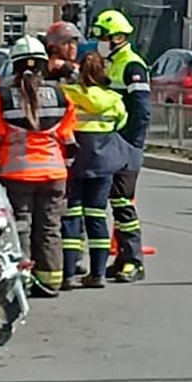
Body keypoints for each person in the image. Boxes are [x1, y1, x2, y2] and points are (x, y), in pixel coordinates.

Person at [0, 36, 77, 298]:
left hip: (16, 173)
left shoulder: (2, 99)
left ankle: (24, 280)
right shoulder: (61, 96)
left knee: (21, 226)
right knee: (50, 227)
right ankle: (51, 280)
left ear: (15, 66)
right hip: (54, 174)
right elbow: (70, 142)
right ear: (44, 65)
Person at [60, 52, 130, 290]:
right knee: (97, 217)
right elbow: (121, 123)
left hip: (74, 164)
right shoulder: (114, 100)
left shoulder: (68, 96)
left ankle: (68, 274)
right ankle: (97, 274)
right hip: (103, 166)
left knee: (71, 218)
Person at [90, 8, 151, 283]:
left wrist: (130, 144)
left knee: (123, 202)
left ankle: (134, 261)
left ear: (116, 37)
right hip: (111, 143)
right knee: (113, 201)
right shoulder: (112, 62)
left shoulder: (131, 65)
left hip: (125, 145)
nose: (99, 41)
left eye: (102, 36)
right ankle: (123, 257)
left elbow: (142, 111)